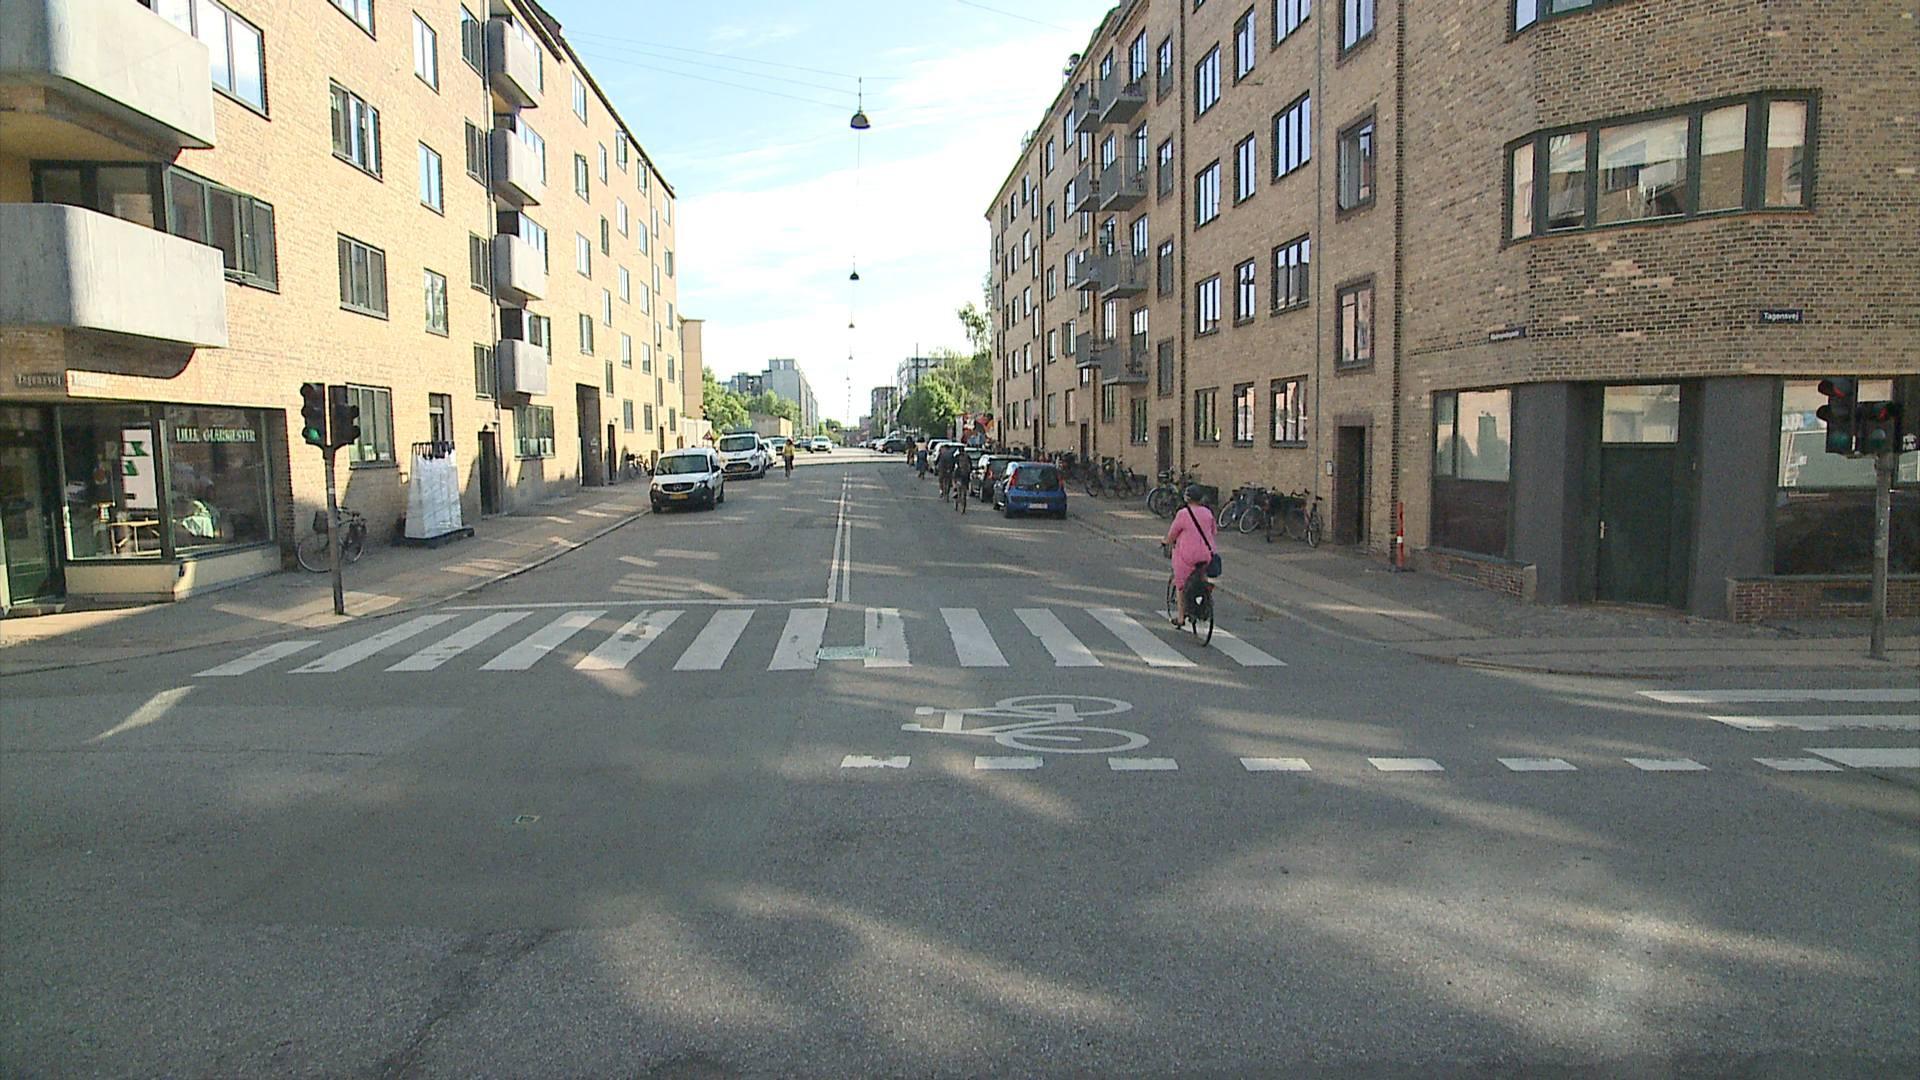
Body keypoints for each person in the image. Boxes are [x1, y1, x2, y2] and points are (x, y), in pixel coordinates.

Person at [1162, 485, 1217, 628]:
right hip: (1206, 553)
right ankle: (1205, 592)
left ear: (1187, 498)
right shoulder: (1208, 513)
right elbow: (1214, 531)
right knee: (1201, 574)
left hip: (1188, 555)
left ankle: (1181, 617)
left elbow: (1173, 533)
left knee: (1181, 584)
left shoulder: (1183, 514)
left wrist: (1166, 541)